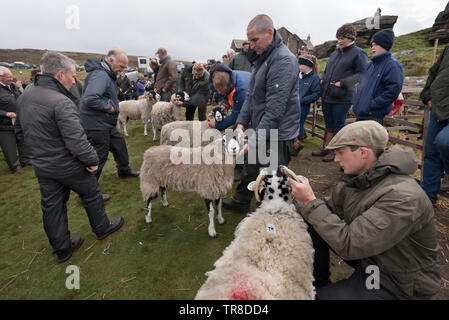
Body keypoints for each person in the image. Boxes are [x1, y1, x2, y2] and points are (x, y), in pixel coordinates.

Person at [290, 120, 441, 300]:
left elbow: (351, 244)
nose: (336, 159)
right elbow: (326, 210)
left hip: (398, 283)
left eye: (340, 152)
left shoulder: (402, 197)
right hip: (374, 259)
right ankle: (317, 283)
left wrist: (309, 200)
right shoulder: (360, 180)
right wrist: (291, 197)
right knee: (312, 223)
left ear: (363, 152)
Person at [14, 51, 124, 263]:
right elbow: (77, 141)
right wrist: (92, 161)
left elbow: (20, 132)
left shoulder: (26, 94)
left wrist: (39, 154)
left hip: (43, 166)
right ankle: (103, 228)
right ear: (60, 74)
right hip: (67, 164)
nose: (74, 80)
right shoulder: (60, 102)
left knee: (52, 205)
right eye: (73, 76)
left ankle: (62, 249)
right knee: (91, 192)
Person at [223, 14, 301, 213]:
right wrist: (241, 125)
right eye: (249, 41)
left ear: (269, 33)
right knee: (250, 168)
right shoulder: (262, 59)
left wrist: (255, 140)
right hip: (261, 128)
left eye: (255, 40)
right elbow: (251, 97)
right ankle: (241, 203)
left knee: (272, 177)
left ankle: (268, 217)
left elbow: (275, 110)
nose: (251, 45)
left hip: (278, 133)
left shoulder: (283, 61)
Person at [80, 49, 139, 202]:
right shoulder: (100, 75)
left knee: (119, 145)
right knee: (99, 157)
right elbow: (90, 98)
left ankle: (123, 170)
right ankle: (88, 192)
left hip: (106, 124)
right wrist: (109, 107)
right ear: (111, 61)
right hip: (96, 125)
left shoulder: (106, 74)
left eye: (125, 67)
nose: (123, 70)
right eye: (121, 66)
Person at [312, 23, 368, 162]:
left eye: (343, 37)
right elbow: (327, 71)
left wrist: (343, 83)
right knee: (328, 123)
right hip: (327, 95)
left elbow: (362, 73)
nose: (339, 40)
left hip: (343, 96)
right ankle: (327, 148)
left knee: (338, 125)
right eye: (338, 37)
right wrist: (323, 80)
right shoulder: (335, 53)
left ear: (351, 38)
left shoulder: (358, 53)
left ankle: (337, 152)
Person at [352, 29, 403, 125]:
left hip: (374, 117)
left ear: (385, 45)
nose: (373, 47)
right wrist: (357, 103)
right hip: (361, 115)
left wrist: (371, 105)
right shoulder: (369, 66)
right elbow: (362, 87)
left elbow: (392, 92)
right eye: (372, 45)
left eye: (376, 44)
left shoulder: (392, 65)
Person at [420, 43, 449, 205]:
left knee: (445, 141)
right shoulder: (448, 49)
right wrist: (427, 96)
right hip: (439, 109)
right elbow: (433, 73)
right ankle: (427, 198)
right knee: (431, 154)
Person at [0, 66, 30, 174]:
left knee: (22, 141)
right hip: (4, 125)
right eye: (8, 77)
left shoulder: (12, 86)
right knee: (9, 146)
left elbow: (21, 97)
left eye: (11, 76)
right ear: (0, 77)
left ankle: (26, 161)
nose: (11, 78)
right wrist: (6, 113)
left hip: (18, 121)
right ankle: (15, 167)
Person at [207, 64, 251, 131]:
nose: (218, 92)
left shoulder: (241, 91)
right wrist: (224, 104)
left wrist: (217, 125)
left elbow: (237, 115)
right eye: (217, 89)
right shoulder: (227, 76)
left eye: (220, 90)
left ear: (227, 85)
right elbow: (226, 93)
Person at [292, 54, 321, 156]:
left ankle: (297, 144)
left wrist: (303, 100)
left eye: (302, 64)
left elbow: (316, 93)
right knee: (292, 124)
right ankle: (293, 144)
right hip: (292, 105)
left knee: (299, 124)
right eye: (299, 64)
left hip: (303, 106)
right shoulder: (298, 75)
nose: (300, 66)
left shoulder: (314, 78)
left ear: (308, 66)